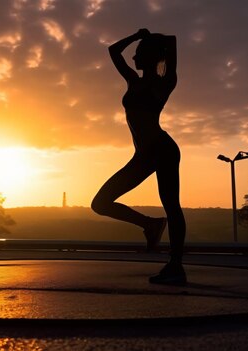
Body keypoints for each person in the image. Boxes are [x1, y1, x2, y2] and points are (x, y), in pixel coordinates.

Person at [91, 28, 186, 285]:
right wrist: (137, 35)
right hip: (144, 155)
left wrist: (152, 37)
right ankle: (150, 225)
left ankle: (176, 266)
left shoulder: (164, 82)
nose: (133, 58)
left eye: (138, 54)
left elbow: (172, 40)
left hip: (162, 150)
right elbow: (113, 51)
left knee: (172, 205)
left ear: (150, 56)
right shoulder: (133, 81)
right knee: (100, 203)